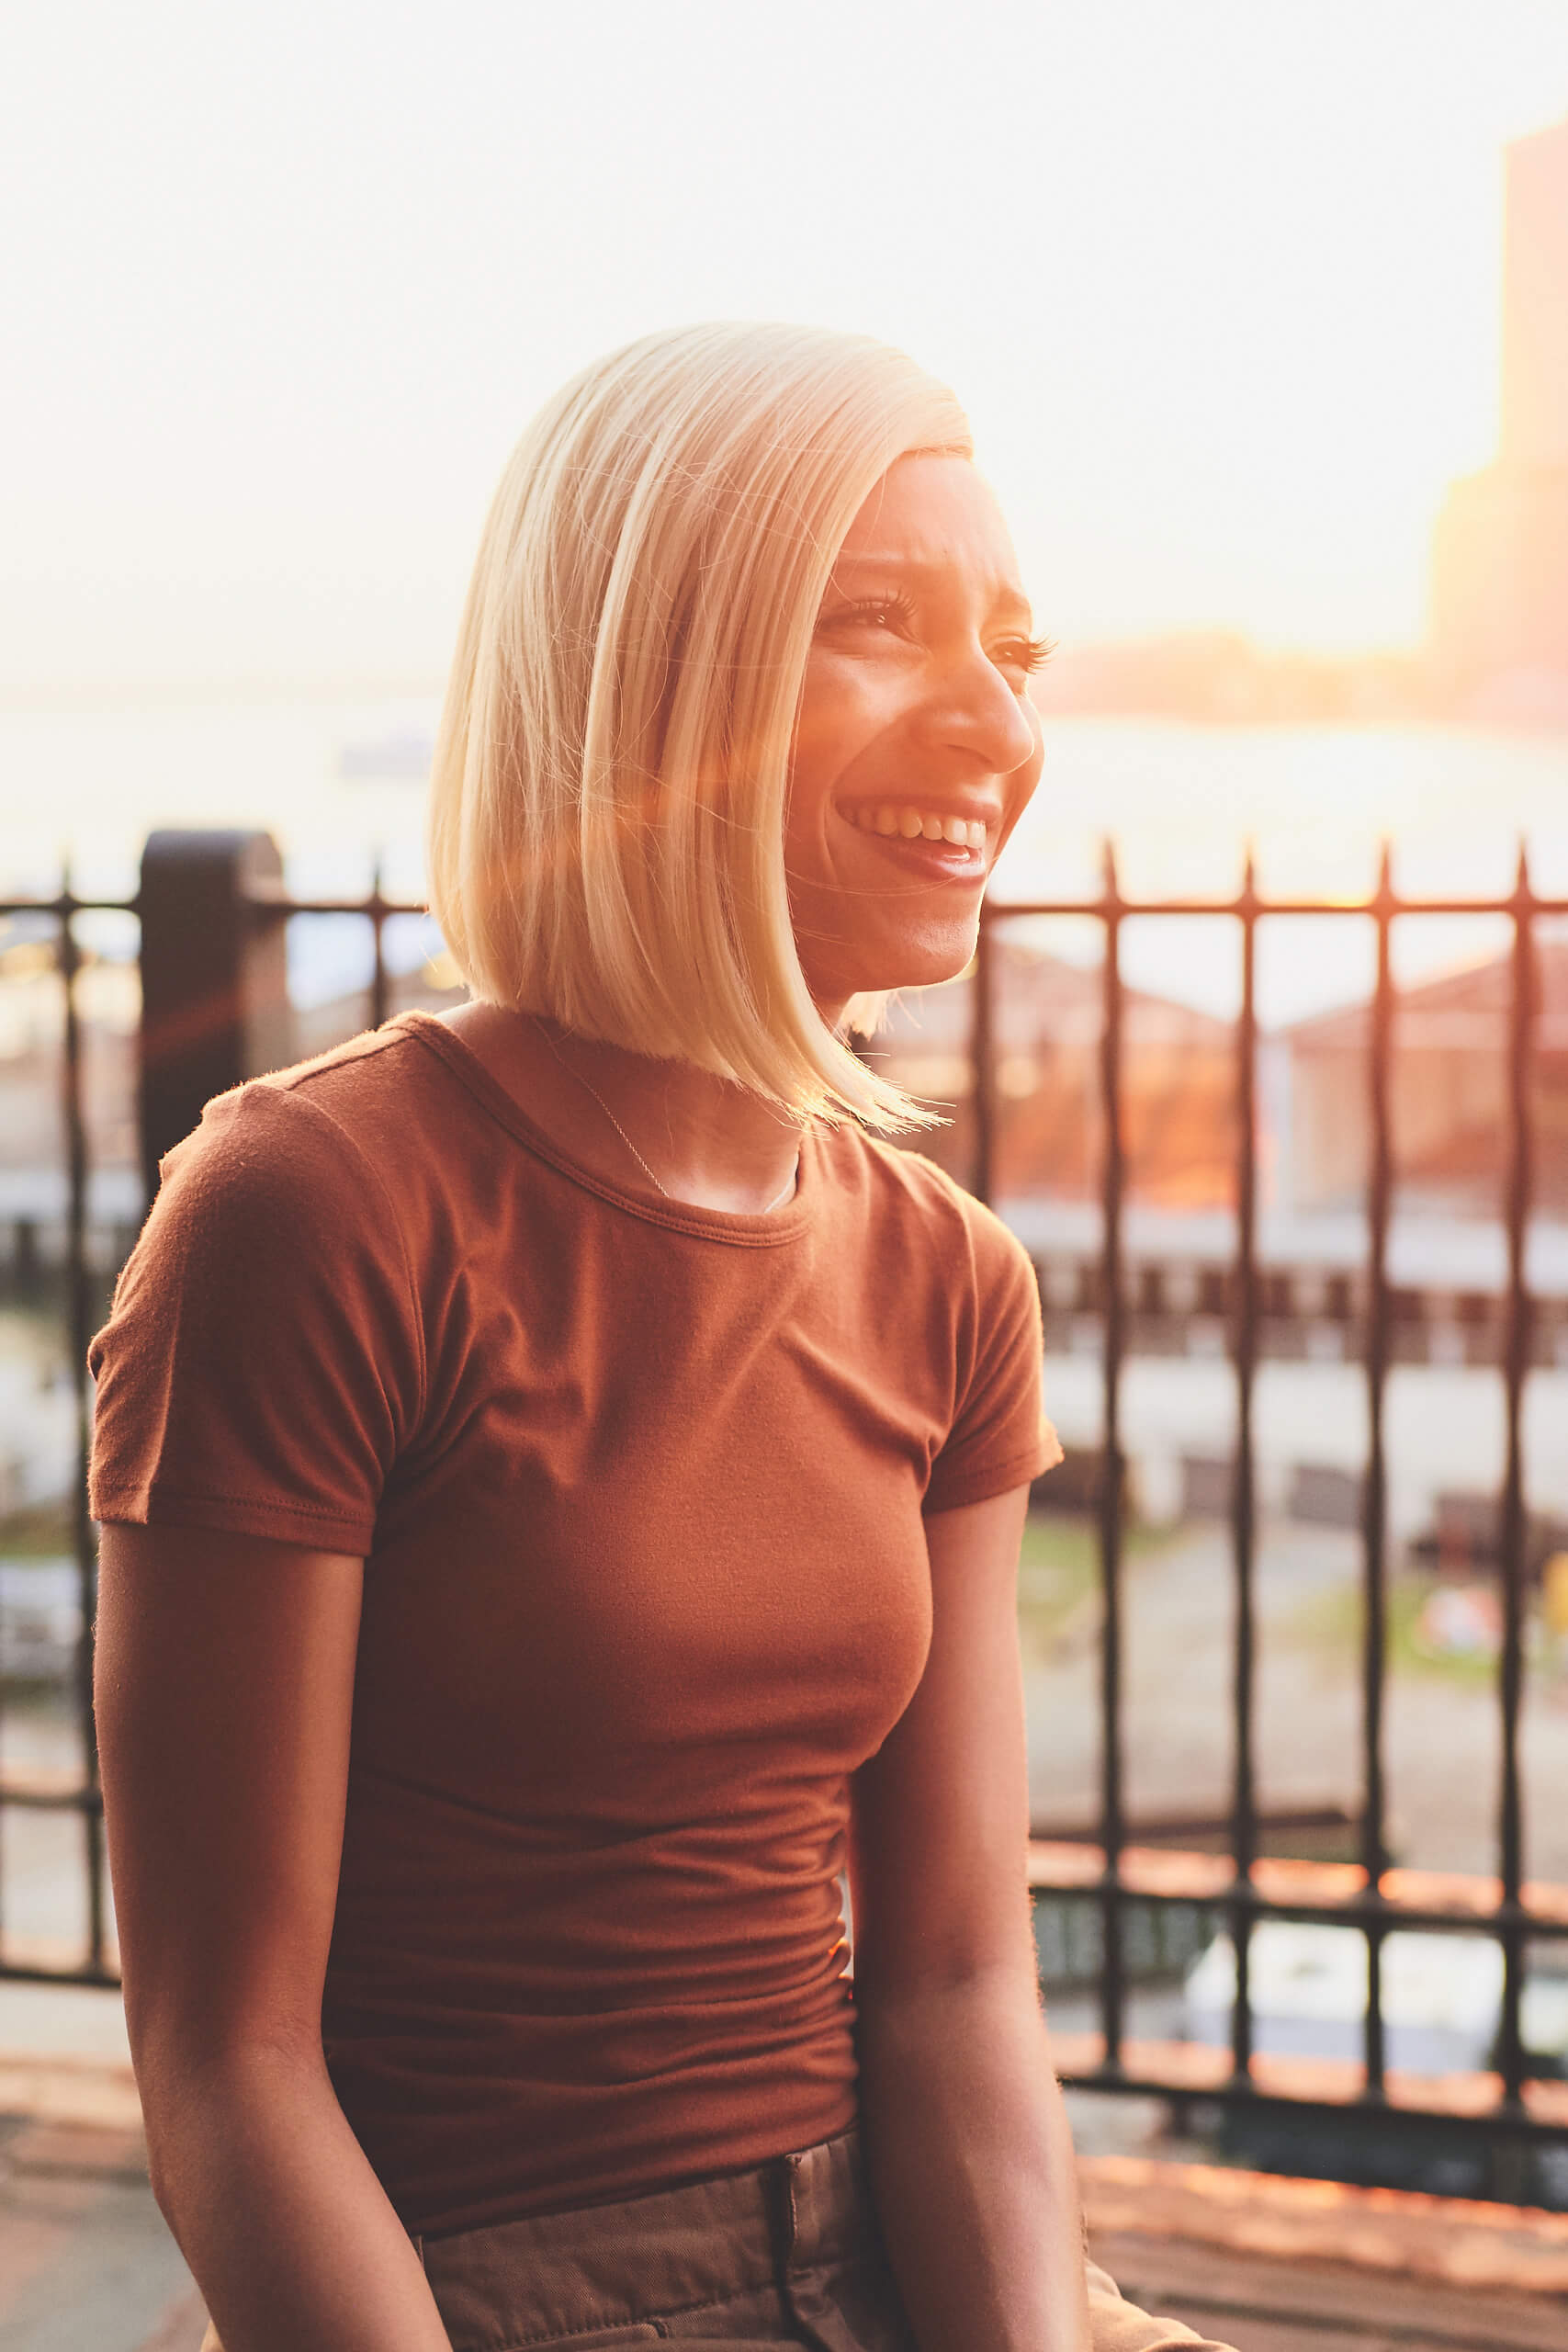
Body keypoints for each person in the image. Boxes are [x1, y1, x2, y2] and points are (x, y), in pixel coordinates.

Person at [91, 322, 1235, 2352]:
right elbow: (224, 2059)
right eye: (877, 623)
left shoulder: (945, 1275)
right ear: (654, 675)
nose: (991, 722)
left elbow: (959, 1980)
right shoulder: (308, 1214)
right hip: (469, 2290)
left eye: (1016, 650)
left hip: (894, 2251)